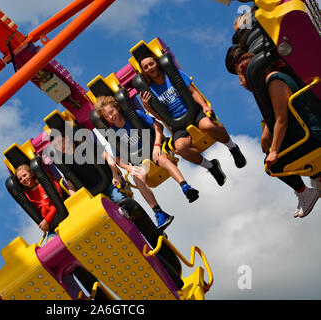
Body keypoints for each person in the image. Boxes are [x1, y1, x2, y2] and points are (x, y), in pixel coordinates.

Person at [94, 95, 200, 232]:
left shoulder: (135, 115)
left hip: (156, 150)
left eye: (112, 112)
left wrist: (156, 144)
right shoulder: (113, 133)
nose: (111, 117)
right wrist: (129, 168)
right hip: (141, 161)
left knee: (161, 159)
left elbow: (158, 126)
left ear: (117, 108)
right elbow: (118, 158)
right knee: (136, 177)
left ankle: (186, 187)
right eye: (107, 116)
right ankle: (159, 213)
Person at [138, 54, 247, 186]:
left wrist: (205, 106)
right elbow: (162, 117)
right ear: (144, 72)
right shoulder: (151, 91)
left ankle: (233, 147)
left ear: (158, 63)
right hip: (177, 123)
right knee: (180, 147)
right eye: (146, 67)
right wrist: (147, 106)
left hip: (193, 113)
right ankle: (211, 166)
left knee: (207, 126)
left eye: (151, 64)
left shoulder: (173, 75)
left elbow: (193, 92)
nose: (150, 68)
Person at [235, 52, 320, 217]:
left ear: (250, 72)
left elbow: (282, 120)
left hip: (314, 135)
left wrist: (274, 152)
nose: (241, 83)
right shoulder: (273, 80)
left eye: (241, 77)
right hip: (309, 132)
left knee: (272, 164)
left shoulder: (274, 81)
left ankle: (305, 193)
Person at [15, 164, 64, 242]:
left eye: (24, 175)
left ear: (31, 173)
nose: (23, 179)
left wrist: (46, 220)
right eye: (20, 179)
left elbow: (58, 202)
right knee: (51, 243)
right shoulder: (27, 196)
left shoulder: (47, 182)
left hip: (63, 216)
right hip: (52, 225)